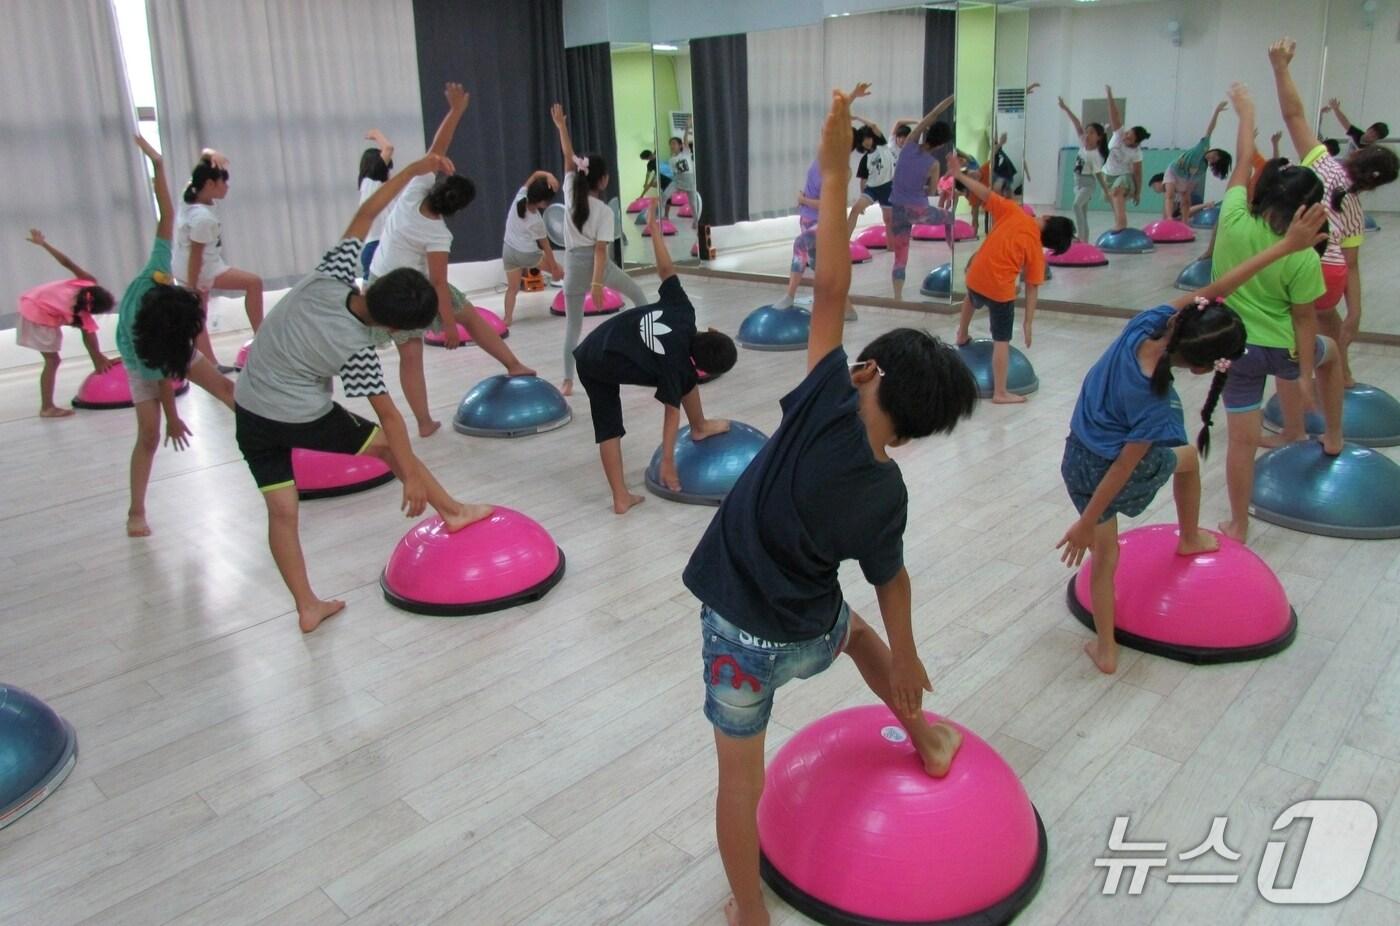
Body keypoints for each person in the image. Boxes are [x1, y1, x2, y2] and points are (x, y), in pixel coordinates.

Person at [683, 87, 979, 926]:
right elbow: (891, 580)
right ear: (918, 431)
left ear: (866, 373)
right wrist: (913, 654)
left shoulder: (821, 399)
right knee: (857, 635)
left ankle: (749, 912)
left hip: (739, 636)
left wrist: (835, 158)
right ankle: (925, 736)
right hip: (812, 631)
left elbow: (829, 282)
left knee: (740, 781)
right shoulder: (888, 493)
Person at [1057, 201, 1328, 674]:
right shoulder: (1154, 407)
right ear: (1202, 368)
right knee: (1187, 461)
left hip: (1075, 456)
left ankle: (1105, 648)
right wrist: (1087, 521)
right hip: (1105, 472)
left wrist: (1286, 245)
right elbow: (1123, 467)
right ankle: (1188, 537)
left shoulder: (1146, 324)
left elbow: (1218, 288)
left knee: (1106, 555)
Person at [234, 152, 491, 634]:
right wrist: (409, 475)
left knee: (282, 510)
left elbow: (367, 213)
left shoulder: (330, 276)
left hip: (248, 408)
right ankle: (453, 511)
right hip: (297, 413)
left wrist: (414, 170)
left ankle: (307, 606)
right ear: (394, 327)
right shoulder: (356, 348)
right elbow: (390, 418)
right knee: (384, 446)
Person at [1212, 80, 1342, 544]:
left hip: (1237, 351)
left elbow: (1244, 158)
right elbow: (1306, 320)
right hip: (1283, 351)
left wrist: (1245, 113)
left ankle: (1238, 524)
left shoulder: (1231, 220)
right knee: (1334, 356)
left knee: (1241, 443)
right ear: (1307, 210)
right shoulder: (1304, 255)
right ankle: (1333, 437)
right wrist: (1304, 373)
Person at [369, 82, 535, 437]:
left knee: (410, 355)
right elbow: (438, 284)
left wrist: (455, 110)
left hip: (377, 282)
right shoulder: (438, 234)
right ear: (458, 209)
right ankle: (513, 364)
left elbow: (436, 149)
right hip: (407, 292)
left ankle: (425, 423)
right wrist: (447, 324)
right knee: (470, 317)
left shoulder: (415, 190)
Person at [574, 203, 737, 514]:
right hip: (596, 363)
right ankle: (621, 497)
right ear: (704, 369)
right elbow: (670, 415)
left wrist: (654, 228)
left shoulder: (684, 311)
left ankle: (699, 425)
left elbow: (665, 269)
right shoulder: (677, 368)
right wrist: (668, 462)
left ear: (710, 330)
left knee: (680, 380)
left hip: (600, 342)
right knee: (609, 425)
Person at [119, 135, 237, 537]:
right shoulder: (144, 346)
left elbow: (166, 212)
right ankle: (136, 510)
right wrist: (173, 419)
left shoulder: (157, 267)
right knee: (149, 435)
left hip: (164, 332)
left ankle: (273, 436)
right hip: (144, 356)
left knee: (224, 387)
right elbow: (163, 380)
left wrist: (157, 165)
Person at [1272, 39, 1399, 390]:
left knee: (1292, 335)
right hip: (1332, 275)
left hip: (1301, 267)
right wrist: (1355, 313)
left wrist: (1281, 67)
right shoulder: (1356, 208)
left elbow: (1293, 115)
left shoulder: (1321, 164)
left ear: (1358, 156)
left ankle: (1302, 389)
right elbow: (1351, 264)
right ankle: (1342, 376)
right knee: (1329, 320)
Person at [951, 155, 1075, 403]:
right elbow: (1032, 288)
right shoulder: (1036, 251)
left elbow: (984, 193)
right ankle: (1000, 392)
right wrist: (1028, 322)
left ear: (1047, 218)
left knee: (971, 298)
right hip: (999, 291)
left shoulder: (1013, 212)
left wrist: (960, 175)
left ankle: (961, 334)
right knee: (1001, 340)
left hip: (975, 276)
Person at [173, 148, 264, 372]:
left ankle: (210, 364)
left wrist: (210, 155)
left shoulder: (190, 194)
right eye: (224, 183)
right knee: (254, 283)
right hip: (202, 269)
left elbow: (204, 157)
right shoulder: (201, 218)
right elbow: (196, 255)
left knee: (199, 316)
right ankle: (261, 337)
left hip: (188, 268)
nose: (227, 187)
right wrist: (193, 287)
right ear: (211, 185)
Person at [18, 232, 116, 417]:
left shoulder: (87, 282)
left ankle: (47, 406)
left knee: (53, 359)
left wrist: (44, 244)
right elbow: (89, 336)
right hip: (37, 313)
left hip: (32, 300)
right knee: (52, 360)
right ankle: (47, 407)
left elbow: (67, 262)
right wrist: (98, 358)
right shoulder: (79, 312)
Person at [887, 93, 957, 300]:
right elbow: (932, 191)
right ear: (943, 144)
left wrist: (950, 98)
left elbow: (933, 114)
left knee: (901, 255)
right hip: (918, 210)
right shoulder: (933, 164)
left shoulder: (908, 144)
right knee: (950, 217)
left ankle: (897, 297)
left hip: (897, 209)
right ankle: (952, 250)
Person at [501, 171, 564, 326]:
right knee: (563, 272)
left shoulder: (520, 197)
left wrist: (548, 176)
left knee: (512, 289)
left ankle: (507, 318)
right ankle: (579, 299)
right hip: (526, 254)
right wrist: (555, 268)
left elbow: (535, 175)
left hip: (508, 251)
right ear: (542, 202)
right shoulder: (536, 220)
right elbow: (545, 246)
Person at [1161, 102, 1232, 221]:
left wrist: (1187, 191)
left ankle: (1184, 221)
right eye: (1214, 155)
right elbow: (1210, 129)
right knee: (1170, 195)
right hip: (1173, 170)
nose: (1211, 157)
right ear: (1214, 150)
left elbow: (1191, 185)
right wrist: (1216, 111)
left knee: (1186, 198)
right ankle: (1169, 219)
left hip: (1185, 178)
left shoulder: (1202, 169)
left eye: (1214, 160)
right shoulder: (1204, 146)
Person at [1057, 97, 1111, 243]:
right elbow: (1077, 124)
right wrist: (1065, 108)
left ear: (1099, 138)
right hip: (1077, 182)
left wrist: (1106, 191)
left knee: (1076, 206)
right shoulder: (1083, 143)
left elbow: (1099, 175)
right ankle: (1085, 240)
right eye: (1087, 132)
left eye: (1092, 133)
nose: (1087, 135)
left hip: (1088, 184)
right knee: (1083, 213)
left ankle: (1080, 237)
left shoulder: (1096, 155)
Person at [1102, 85, 1150, 232]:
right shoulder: (1118, 134)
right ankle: (1119, 223)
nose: (1126, 136)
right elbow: (1114, 115)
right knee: (1113, 200)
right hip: (1108, 174)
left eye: (1129, 137)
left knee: (1117, 192)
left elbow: (1137, 173)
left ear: (1136, 142)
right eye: (1127, 132)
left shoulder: (1136, 153)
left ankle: (1122, 223)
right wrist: (1110, 94)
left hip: (1125, 177)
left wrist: (1138, 192)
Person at [845, 116, 896, 239]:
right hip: (872, 190)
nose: (866, 142)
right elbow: (863, 180)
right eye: (863, 140)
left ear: (873, 137)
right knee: (855, 211)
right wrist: (862, 197)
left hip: (888, 188)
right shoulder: (865, 159)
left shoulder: (882, 146)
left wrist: (857, 118)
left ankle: (892, 247)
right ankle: (844, 241)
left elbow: (873, 126)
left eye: (868, 138)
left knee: (889, 220)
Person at [356, 129, 394, 276]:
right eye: (387, 168)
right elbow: (388, 149)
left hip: (376, 247)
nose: (389, 173)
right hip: (378, 247)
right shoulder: (371, 183)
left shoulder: (375, 190)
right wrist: (376, 134)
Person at [1322, 98, 1389, 153]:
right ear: (1369, 128)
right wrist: (1336, 109)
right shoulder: (1357, 133)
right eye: (1371, 132)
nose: (1370, 135)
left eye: (1374, 136)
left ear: (1376, 139)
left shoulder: (1370, 150)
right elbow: (1344, 122)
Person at [662, 131, 697, 223]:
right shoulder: (671, 160)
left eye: (674, 143)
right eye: (670, 144)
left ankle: (696, 221)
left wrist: (686, 129)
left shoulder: (686, 153)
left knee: (693, 203)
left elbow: (685, 141)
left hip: (690, 181)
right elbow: (674, 174)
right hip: (678, 181)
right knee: (664, 196)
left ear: (680, 145)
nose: (672, 146)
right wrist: (677, 188)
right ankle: (662, 217)